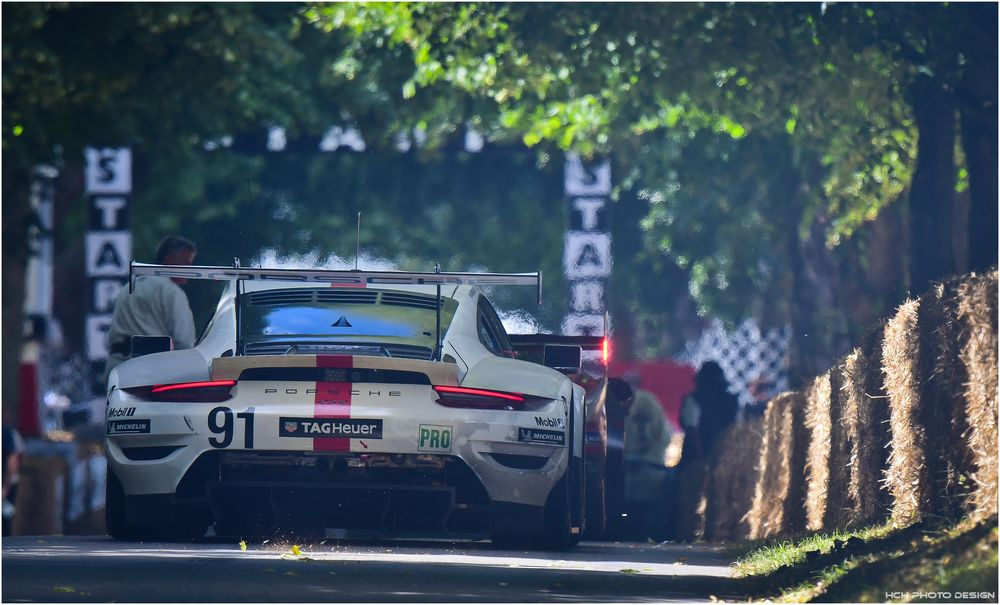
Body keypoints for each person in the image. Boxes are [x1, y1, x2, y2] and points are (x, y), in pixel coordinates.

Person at [104, 236, 198, 383]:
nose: (190, 269)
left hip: (116, 370)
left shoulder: (128, 288)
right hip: (151, 372)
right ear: (170, 260)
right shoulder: (171, 292)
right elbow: (184, 342)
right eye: (186, 263)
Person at [2, 414, 25, 536]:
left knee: (5, 518)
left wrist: (5, 488)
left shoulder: (6, 433)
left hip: (6, 483)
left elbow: (13, 460)